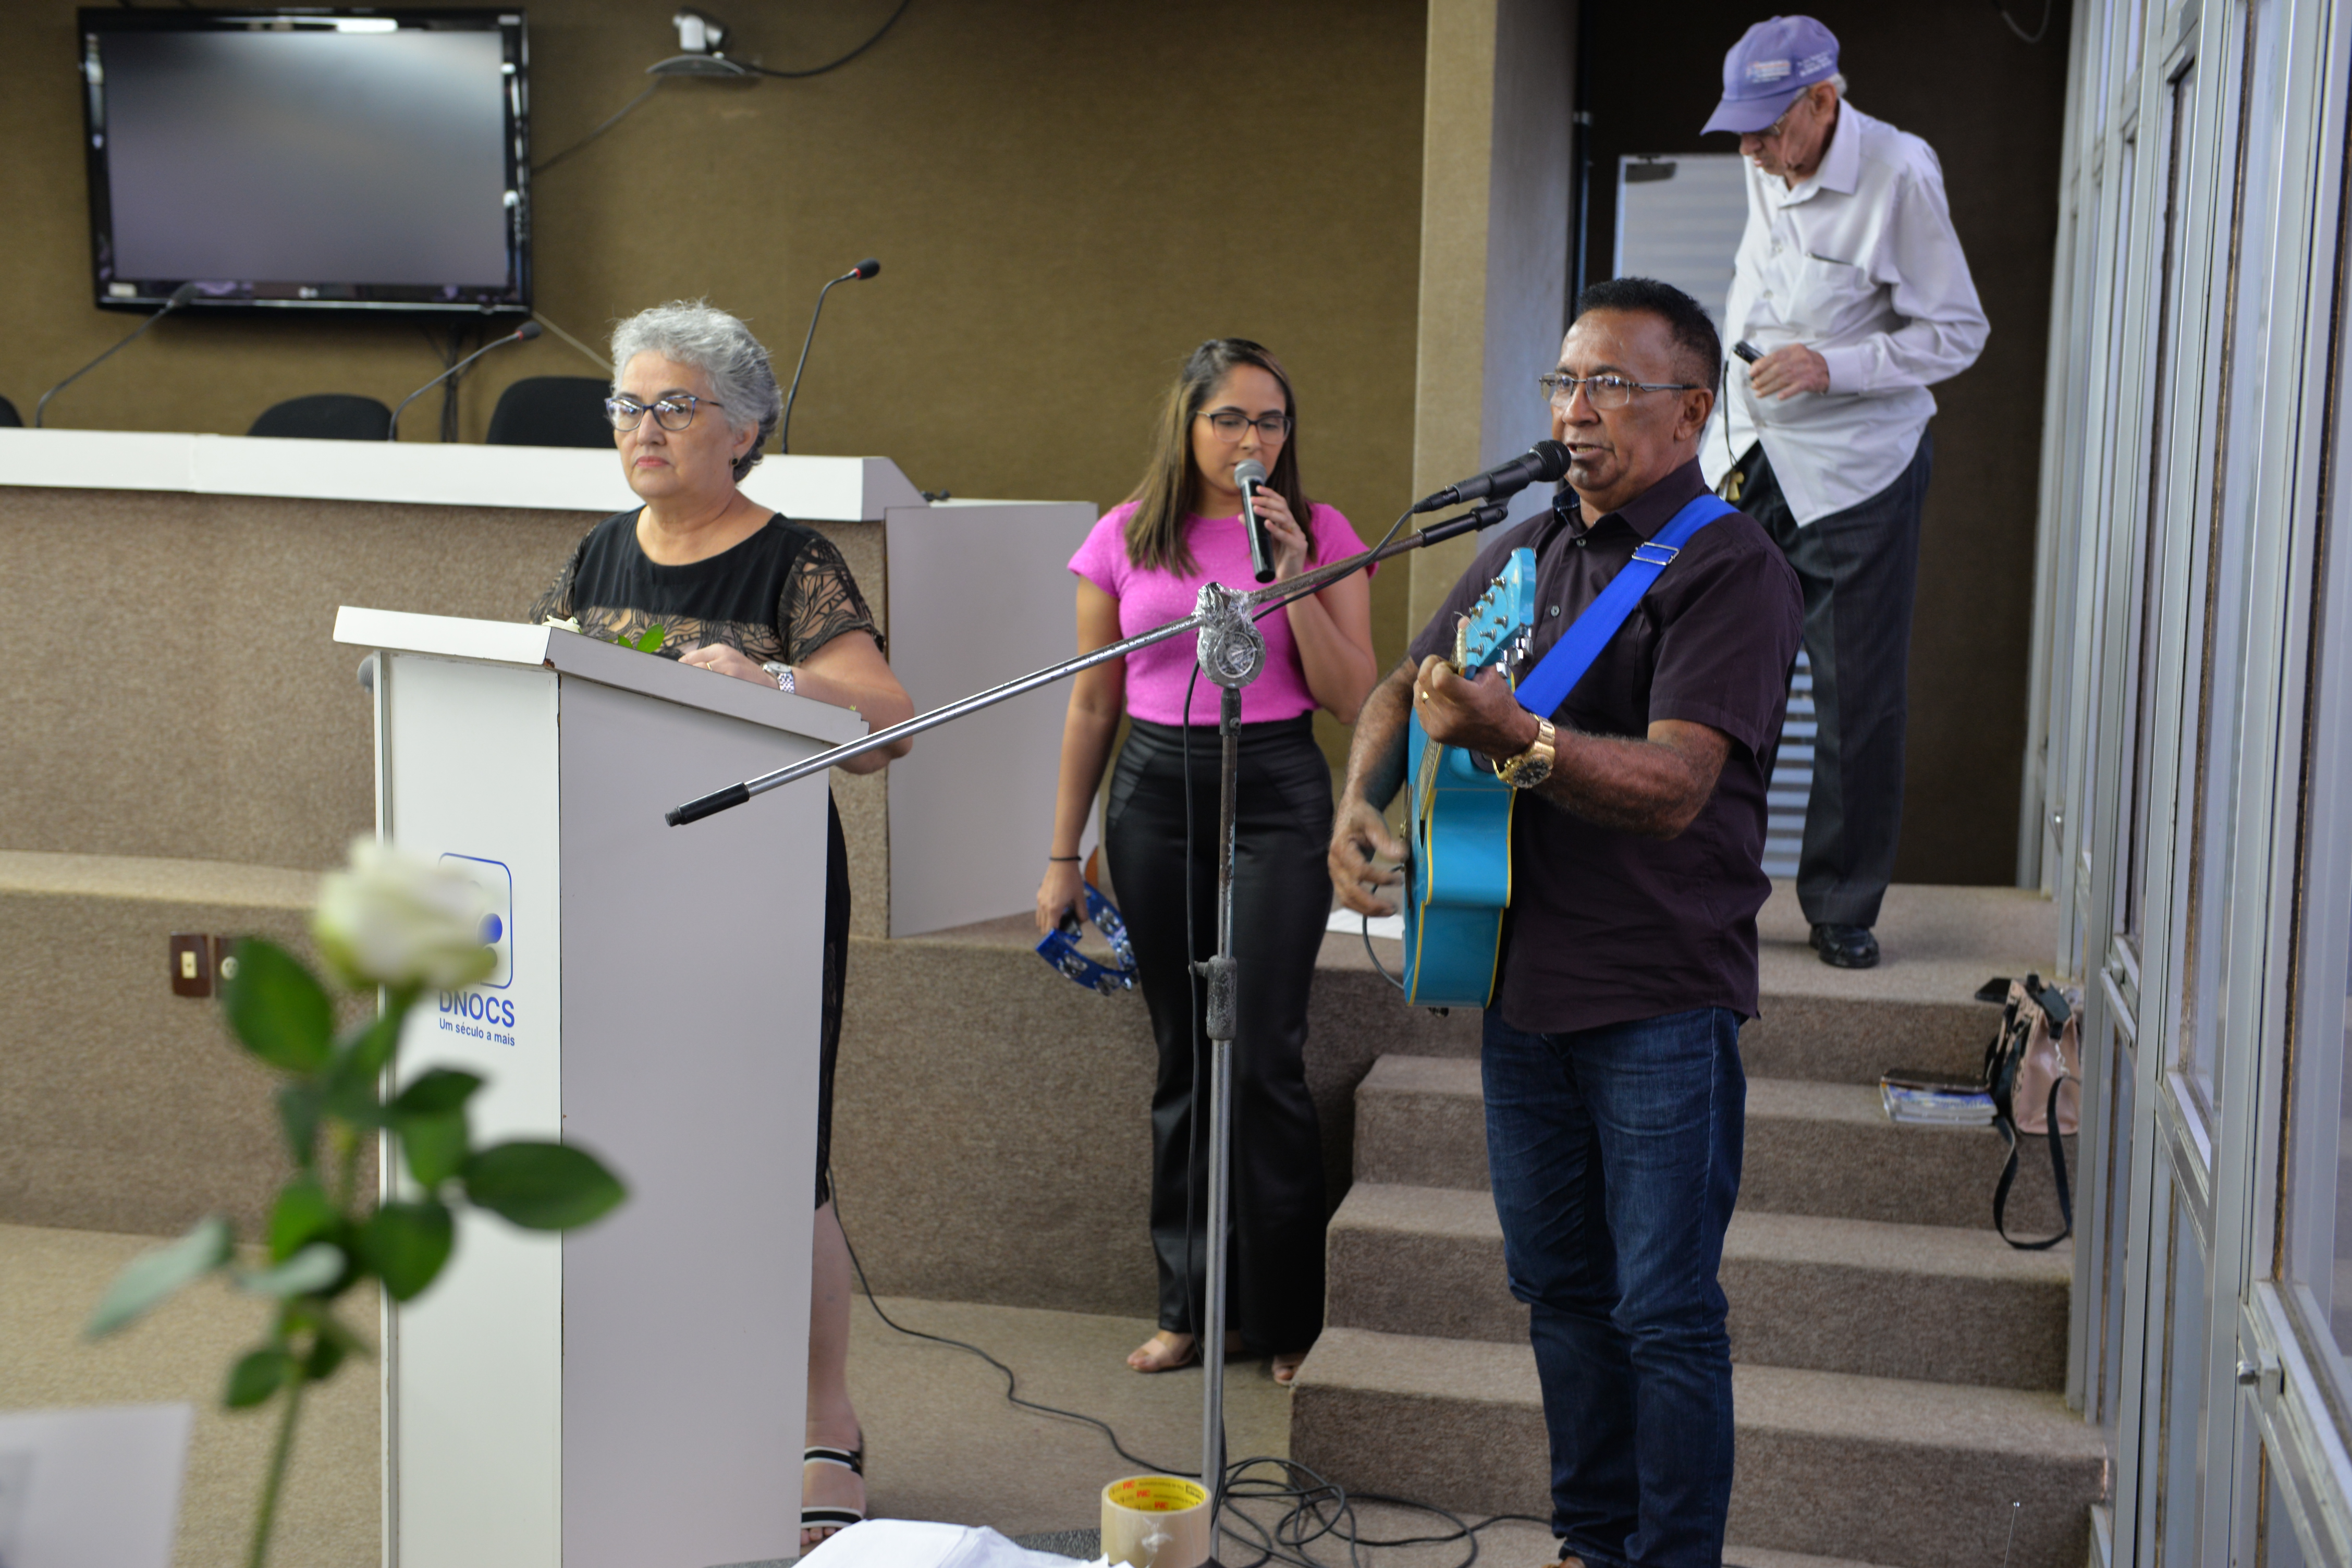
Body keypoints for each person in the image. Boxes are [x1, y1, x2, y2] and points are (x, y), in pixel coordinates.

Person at [1330, 279, 1801, 1567]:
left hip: (1657, 991)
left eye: (1612, 386)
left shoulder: (1729, 565)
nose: (1576, 409)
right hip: (1517, 979)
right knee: (1558, 1292)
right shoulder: (1526, 549)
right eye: (1564, 382)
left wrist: (1520, 738)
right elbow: (1402, 686)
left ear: (1690, 411)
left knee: (1664, 1311)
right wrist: (1361, 801)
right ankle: (1591, 1542)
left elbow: (1678, 786)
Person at [525, 300, 914, 1554]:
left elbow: (888, 724)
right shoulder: (598, 553)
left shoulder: (790, 562)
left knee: (778, 1157)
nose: (642, 428)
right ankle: (665, 1400)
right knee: (638, 1140)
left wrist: (777, 679)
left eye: (673, 406)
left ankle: (822, 1424)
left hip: (760, 898)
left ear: (743, 430)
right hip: (616, 883)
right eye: (627, 405)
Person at [1036, 338, 1377, 1387]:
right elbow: (1092, 702)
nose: (1250, 439)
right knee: (1185, 1053)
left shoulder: (1321, 530)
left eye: (1270, 420)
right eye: (1229, 418)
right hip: (1155, 790)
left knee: (1264, 1052)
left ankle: (1284, 1315)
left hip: (1277, 789)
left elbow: (1352, 695)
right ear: (1187, 425)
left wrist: (1296, 576)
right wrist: (1063, 852)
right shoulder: (1125, 534)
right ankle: (1188, 1305)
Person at [1697, 15, 1988, 969]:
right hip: (1752, 452)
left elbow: (1958, 331)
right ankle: (1713, 888)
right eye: (1741, 130)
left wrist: (1835, 364)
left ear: (1823, 101)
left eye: (1766, 128)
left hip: (1858, 470)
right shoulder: (1765, 156)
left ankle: (1841, 904)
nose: (1749, 150)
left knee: (1855, 697)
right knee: (1726, 681)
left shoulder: (1900, 175)